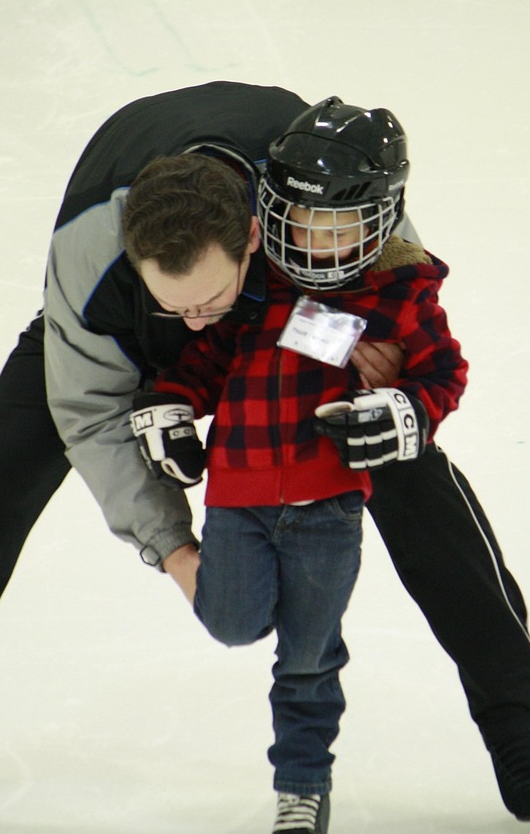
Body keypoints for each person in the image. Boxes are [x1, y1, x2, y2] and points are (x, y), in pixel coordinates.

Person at [0, 81, 530, 823]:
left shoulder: (321, 186)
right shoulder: (92, 250)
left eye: (207, 299)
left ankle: (521, 719)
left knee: (410, 474)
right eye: (175, 304)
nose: (193, 318)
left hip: (283, 318)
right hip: (120, 338)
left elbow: (401, 302)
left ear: (256, 233)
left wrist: (388, 373)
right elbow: (88, 412)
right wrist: (174, 547)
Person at [125, 100, 467, 833]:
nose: (316, 241)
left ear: (379, 219)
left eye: (338, 226)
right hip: (238, 498)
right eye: (304, 221)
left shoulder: (399, 292)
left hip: (327, 508)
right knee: (231, 619)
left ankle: (301, 785)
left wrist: (407, 411)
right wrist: (171, 406)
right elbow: (208, 359)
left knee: (308, 660)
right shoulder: (257, 283)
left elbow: (444, 373)